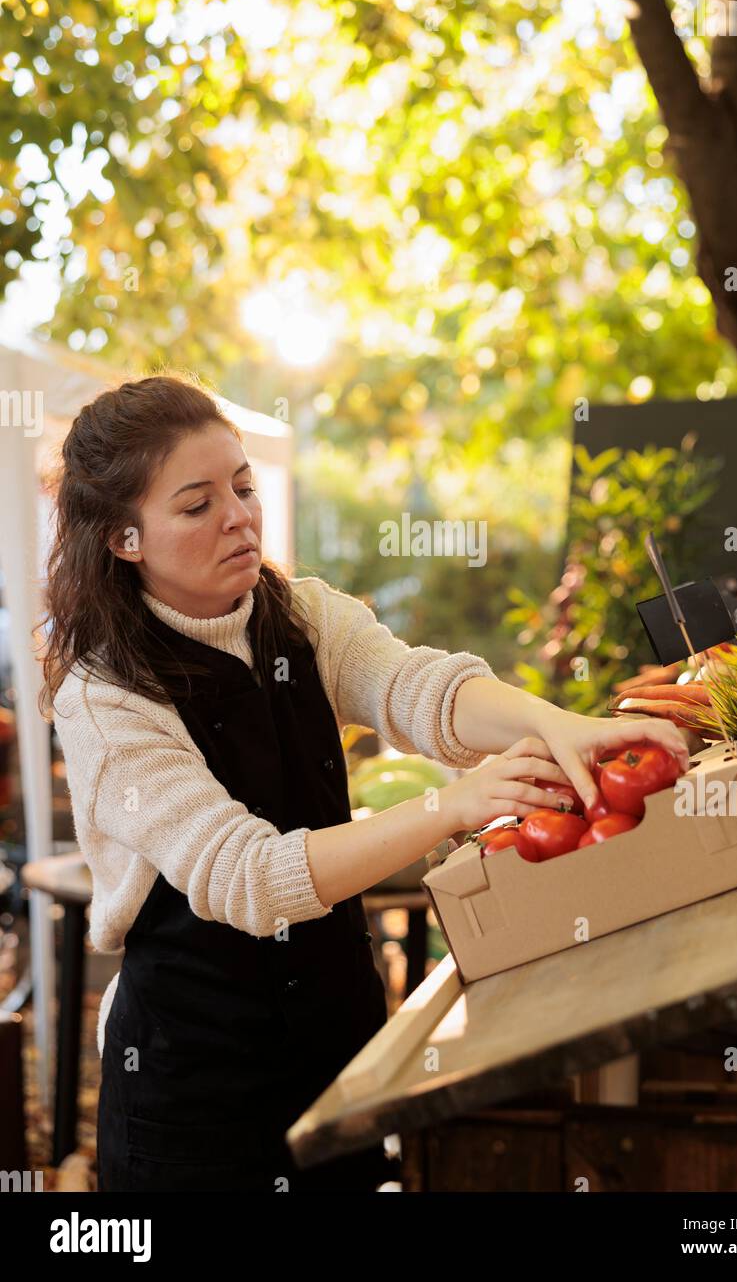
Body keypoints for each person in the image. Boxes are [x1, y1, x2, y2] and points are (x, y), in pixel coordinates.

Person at [39, 372, 690, 1193]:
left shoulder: (301, 614)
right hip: (195, 1085)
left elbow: (420, 688)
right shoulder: (105, 695)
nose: (239, 515)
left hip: (335, 1040)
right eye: (197, 504)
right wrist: (448, 805)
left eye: (243, 486)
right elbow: (248, 877)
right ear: (123, 538)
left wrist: (565, 726)